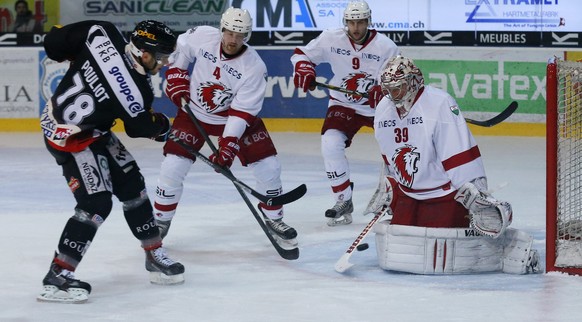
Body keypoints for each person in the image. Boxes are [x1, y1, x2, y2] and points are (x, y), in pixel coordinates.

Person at [38, 20, 184, 304]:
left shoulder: (101, 32)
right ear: (144, 53)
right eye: (162, 56)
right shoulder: (138, 90)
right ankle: (58, 273)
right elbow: (139, 127)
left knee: (131, 182)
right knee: (96, 202)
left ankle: (154, 253)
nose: (164, 63)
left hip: (84, 128)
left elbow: (53, 44)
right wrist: (163, 127)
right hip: (70, 138)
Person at [370, 55, 540, 274]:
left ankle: (511, 249)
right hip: (409, 194)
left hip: (443, 194)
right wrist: (392, 185)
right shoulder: (384, 109)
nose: (391, 96)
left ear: (412, 83)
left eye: (397, 88)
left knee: (443, 249)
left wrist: (476, 195)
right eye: (387, 89)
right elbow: (389, 153)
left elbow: (460, 154)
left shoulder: (439, 103)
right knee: (401, 248)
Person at [154, 7, 298, 246]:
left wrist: (228, 145)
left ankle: (274, 218)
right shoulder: (201, 36)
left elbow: (241, 113)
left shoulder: (254, 67)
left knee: (270, 168)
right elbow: (181, 52)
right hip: (193, 114)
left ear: (247, 36)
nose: (233, 40)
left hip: (232, 119)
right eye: (230, 33)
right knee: (172, 166)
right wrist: (177, 76)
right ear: (222, 29)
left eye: (239, 35)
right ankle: (160, 220)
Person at [290, 0, 400, 226]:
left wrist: (385, 89)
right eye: (351, 22)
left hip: (377, 108)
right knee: (330, 143)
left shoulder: (386, 47)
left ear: (369, 21)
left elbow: (398, 77)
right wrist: (305, 68)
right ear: (345, 22)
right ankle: (342, 199)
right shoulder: (331, 38)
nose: (356, 28)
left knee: (394, 149)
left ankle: (399, 198)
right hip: (344, 103)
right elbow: (302, 54)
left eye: (360, 22)